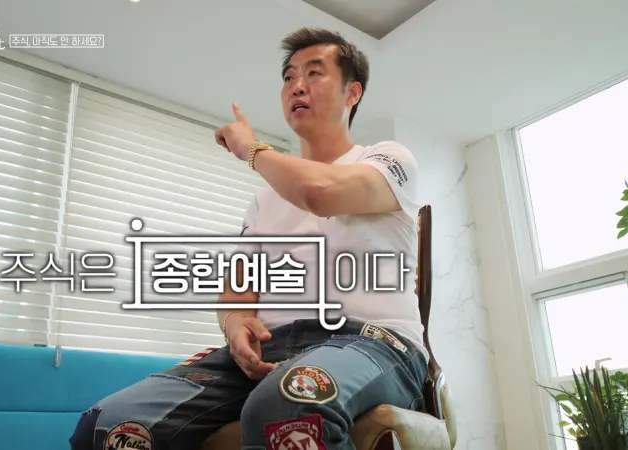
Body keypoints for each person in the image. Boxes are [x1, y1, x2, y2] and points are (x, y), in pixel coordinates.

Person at [70, 27, 429, 450]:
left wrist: (252, 150)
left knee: (286, 402)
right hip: (270, 352)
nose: (297, 86)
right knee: (107, 425)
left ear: (353, 92)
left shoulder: (387, 160)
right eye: (289, 76)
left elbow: (319, 193)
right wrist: (235, 322)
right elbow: (237, 290)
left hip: (372, 343)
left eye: (314, 73)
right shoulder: (263, 200)